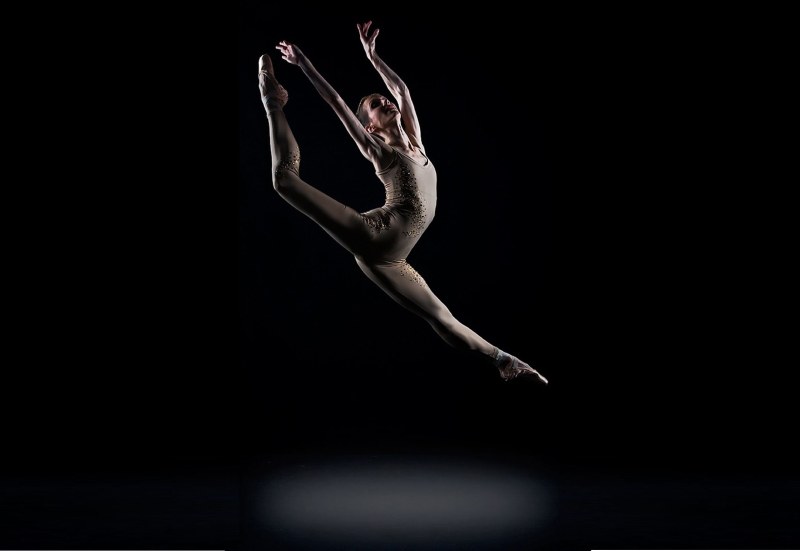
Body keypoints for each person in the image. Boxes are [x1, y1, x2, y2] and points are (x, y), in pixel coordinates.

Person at [258, 21, 547, 384]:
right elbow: (337, 103)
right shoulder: (380, 152)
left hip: (392, 260)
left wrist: (373, 57)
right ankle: (273, 102)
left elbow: (401, 90)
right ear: (371, 127)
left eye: (383, 99)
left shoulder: (417, 145)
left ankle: (505, 361)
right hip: (373, 233)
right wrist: (303, 64)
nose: (386, 101)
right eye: (376, 105)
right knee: (285, 181)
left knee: (442, 318)